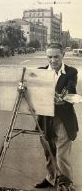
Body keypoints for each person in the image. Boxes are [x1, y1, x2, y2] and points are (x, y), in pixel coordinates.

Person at [34, 43, 79, 189]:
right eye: (49, 57)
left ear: (63, 55)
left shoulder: (71, 72)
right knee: (49, 152)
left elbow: (71, 87)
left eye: (56, 57)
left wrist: (64, 95)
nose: (53, 60)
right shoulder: (40, 72)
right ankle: (51, 178)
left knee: (61, 155)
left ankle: (66, 183)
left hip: (63, 119)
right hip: (45, 118)